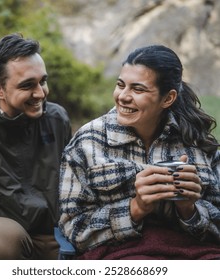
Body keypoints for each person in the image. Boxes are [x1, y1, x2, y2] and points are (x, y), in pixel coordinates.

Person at [58, 45, 220, 260]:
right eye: (120, 85)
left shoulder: (197, 142)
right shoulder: (87, 142)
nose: (123, 97)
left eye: (138, 89)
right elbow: (74, 229)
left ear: (168, 98)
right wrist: (136, 208)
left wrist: (189, 210)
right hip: (121, 258)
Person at [0, 33, 72, 260]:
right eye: (27, 85)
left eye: (43, 81)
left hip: (47, 234)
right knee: (6, 239)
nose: (40, 93)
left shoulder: (57, 119)